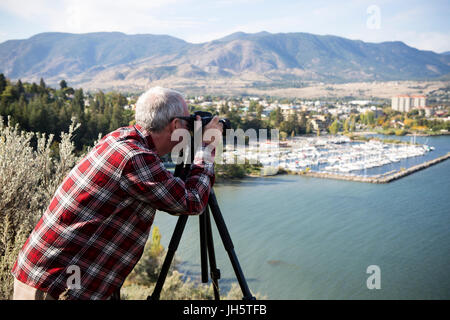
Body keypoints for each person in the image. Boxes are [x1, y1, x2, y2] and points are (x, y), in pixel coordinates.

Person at [11, 87, 222, 300]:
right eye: (188, 122)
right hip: (56, 286)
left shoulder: (121, 138)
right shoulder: (135, 158)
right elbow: (191, 201)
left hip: (47, 277)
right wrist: (205, 147)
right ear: (175, 125)